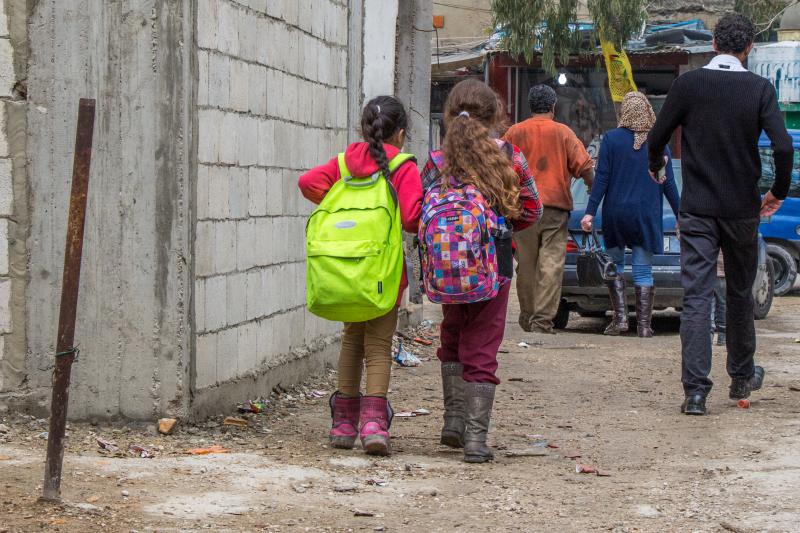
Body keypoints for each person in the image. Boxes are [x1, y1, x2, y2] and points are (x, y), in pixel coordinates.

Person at [647, 14, 794, 415]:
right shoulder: (759, 88)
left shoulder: (688, 85)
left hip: (697, 208)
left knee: (696, 296)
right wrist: (777, 191)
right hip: (741, 209)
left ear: (713, 43)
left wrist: (656, 165)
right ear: (749, 49)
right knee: (740, 292)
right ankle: (741, 376)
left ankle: (695, 392)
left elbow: (657, 137)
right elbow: (783, 147)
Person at [420, 79, 542, 462]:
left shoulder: (437, 161)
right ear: (496, 116)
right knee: (483, 344)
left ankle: (452, 422)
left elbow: (417, 212)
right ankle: (475, 439)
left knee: (452, 334)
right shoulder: (509, 155)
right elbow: (533, 208)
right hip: (495, 267)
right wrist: (501, 229)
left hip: (446, 268)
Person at [298, 96, 423, 454]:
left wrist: (338, 207)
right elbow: (413, 219)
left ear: (364, 128)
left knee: (352, 340)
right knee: (379, 344)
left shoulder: (343, 163)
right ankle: (373, 424)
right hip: (382, 272)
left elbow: (307, 183)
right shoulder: (403, 167)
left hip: (343, 270)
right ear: (400, 134)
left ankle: (342, 423)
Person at [580, 92, 680, 337]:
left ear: (625, 112)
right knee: (643, 270)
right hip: (645, 215)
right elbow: (668, 185)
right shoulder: (659, 144)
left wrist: (589, 213)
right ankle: (644, 327)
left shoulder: (612, 140)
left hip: (617, 214)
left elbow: (601, 179)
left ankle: (621, 320)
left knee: (615, 265)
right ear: (647, 111)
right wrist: (681, 216)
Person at [502, 85, 594, 334]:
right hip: (554, 209)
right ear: (553, 107)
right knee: (551, 264)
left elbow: (498, 168)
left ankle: (528, 316)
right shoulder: (563, 132)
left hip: (522, 210)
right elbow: (585, 166)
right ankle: (542, 321)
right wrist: (591, 188)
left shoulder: (514, 132)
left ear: (530, 107)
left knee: (526, 264)